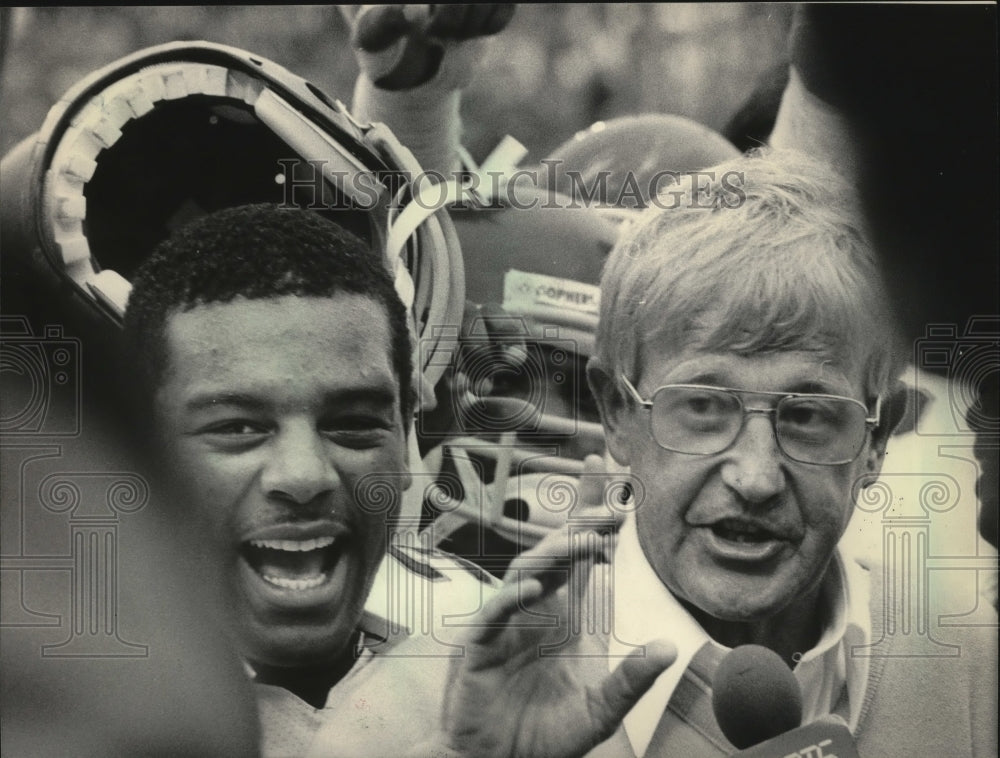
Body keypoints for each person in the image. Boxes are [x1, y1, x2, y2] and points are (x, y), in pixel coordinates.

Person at [121, 202, 676, 758]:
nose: (304, 475)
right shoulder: (61, 697)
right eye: (238, 428)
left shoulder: (493, 644)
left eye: (354, 424)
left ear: (407, 431)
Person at [578, 148, 997, 757]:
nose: (755, 477)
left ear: (877, 439)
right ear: (616, 412)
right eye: (704, 406)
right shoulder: (484, 685)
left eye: (806, 417)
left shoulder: (968, 657)